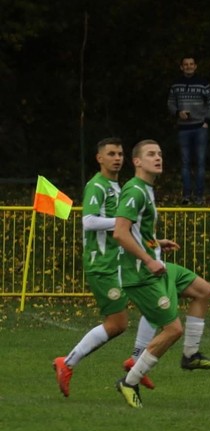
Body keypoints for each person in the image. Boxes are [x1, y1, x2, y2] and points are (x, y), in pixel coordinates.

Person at [113, 140, 210, 408]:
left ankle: (191, 355)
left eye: (160, 153)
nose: (158, 158)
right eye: (151, 154)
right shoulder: (135, 192)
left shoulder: (146, 190)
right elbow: (119, 232)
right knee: (172, 329)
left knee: (203, 290)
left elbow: (136, 231)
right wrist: (149, 260)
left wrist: (155, 242)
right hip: (141, 274)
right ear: (137, 161)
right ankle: (129, 381)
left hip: (157, 265)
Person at [52, 138, 154, 396]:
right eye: (111, 154)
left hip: (119, 261)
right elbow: (88, 221)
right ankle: (68, 362)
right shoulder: (97, 186)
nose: (117, 158)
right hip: (103, 265)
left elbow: (125, 225)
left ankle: (137, 361)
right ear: (99, 158)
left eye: (120, 153)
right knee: (118, 323)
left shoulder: (117, 187)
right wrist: (119, 222)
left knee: (154, 301)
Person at [167, 56, 210, 205]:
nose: (188, 67)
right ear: (181, 67)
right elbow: (170, 102)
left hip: (200, 127)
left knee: (200, 162)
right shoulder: (176, 84)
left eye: (191, 64)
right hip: (183, 128)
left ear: (195, 66)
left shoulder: (203, 83)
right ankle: (186, 196)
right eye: (185, 64)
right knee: (185, 163)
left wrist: (207, 120)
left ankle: (200, 196)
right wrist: (177, 113)